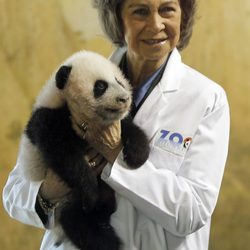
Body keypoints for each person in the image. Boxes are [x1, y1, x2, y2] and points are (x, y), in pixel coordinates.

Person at [2, 0, 230, 249]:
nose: (156, 24)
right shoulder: (79, 79)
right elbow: (14, 192)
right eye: (140, 11)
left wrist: (115, 155)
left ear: (182, 16)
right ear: (117, 19)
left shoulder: (206, 98)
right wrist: (49, 192)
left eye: (167, 9)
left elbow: (192, 212)